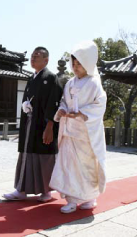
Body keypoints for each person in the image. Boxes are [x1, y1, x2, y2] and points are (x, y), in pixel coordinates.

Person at [49, 40, 107, 213]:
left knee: (86, 166)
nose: (75, 67)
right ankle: (72, 200)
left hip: (85, 133)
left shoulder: (94, 83)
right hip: (69, 132)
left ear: (87, 64)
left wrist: (82, 113)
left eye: (79, 63)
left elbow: (100, 104)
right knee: (68, 166)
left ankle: (90, 197)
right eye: (73, 63)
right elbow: (64, 102)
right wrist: (61, 110)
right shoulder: (69, 83)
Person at [3, 47, 63, 202]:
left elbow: (54, 103)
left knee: (44, 157)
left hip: (43, 124)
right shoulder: (31, 78)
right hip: (30, 123)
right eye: (32, 56)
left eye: (37, 56)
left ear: (46, 60)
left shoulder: (51, 78)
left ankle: (47, 192)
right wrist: (25, 104)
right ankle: (21, 189)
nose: (33, 58)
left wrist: (50, 126)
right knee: (26, 155)